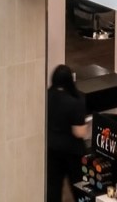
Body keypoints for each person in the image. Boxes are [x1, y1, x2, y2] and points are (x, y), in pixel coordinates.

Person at [45, 64, 91, 201]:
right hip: (73, 152)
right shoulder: (75, 102)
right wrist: (88, 128)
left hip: (52, 148)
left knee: (53, 187)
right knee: (79, 187)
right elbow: (79, 132)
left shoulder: (47, 95)